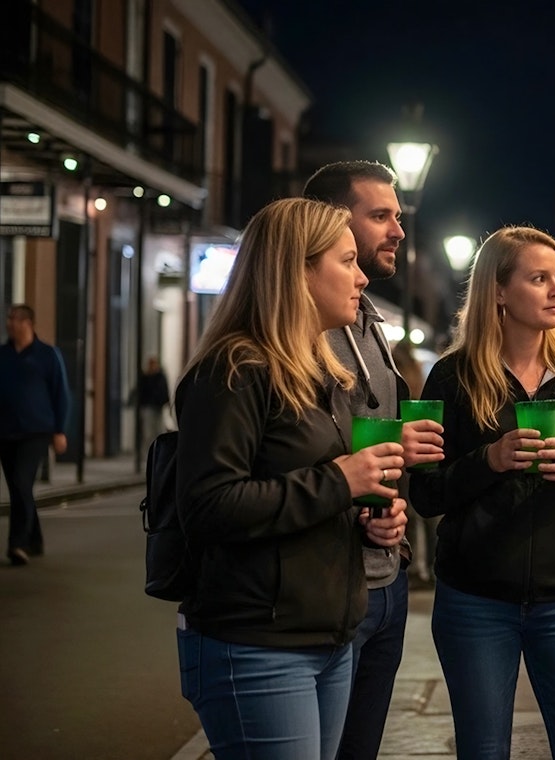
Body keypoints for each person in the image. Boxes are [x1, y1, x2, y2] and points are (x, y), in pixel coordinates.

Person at [173, 197, 409, 760]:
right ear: (298, 269)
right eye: (346, 261)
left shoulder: (322, 373)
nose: (360, 278)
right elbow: (207, 506)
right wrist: (340, 481)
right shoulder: (233, 369)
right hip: (256, 642)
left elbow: (309, 492)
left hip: (328, 634)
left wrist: (366, 520)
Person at [409, 225, 555, 759]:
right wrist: (488, 460)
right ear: (499, 292)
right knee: (484, 749)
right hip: (475, 599)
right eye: (539, 278)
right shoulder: (452, 377)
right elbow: (426, 494)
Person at [303, 160, 444, 760]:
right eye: (380, 216)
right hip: (329, 587)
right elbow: (301, 453)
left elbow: (370, 446)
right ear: (333, 223)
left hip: (385, 580)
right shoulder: (301, 333)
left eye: (398, 215)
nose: (398, 231)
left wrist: (396, 490)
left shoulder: (371, 326)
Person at [0, 304, 70, 566]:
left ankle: (17, 544)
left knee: (21, 482)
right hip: (5, 432)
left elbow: (60, 393)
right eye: (8, 319)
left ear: (28, 323)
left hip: (36, 431)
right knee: (20, 488)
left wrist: (60, 430)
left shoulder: (48, 355)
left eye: (15, 320)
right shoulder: (3, 355)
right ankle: (35, 539)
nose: (10, 324)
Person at [392, 338, 441, 588]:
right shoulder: (418, 372)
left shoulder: (397, 370)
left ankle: (415, 566)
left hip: (404, 449)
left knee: (411, 513)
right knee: (426, 516)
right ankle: (430, 566)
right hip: (422, 446)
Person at [134, 355, 171, 446]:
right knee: (148, 431)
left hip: (158, 407)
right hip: (148, 407)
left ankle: (157, 449)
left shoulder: (160, 377)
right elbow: (141, 392)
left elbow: (164, 391)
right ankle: (149, 451)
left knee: (159, 430)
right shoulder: (145, 378)